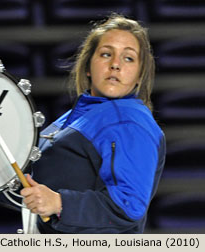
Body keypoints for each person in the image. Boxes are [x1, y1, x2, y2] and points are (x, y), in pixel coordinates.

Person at [20, 13, 166, 233]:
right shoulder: (77, 116)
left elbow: (128, 205)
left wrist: (59, 203)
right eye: (106, 54)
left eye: (128, 58)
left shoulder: (129, 121)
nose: (115, 64)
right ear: (88, 67)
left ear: (139, 75)